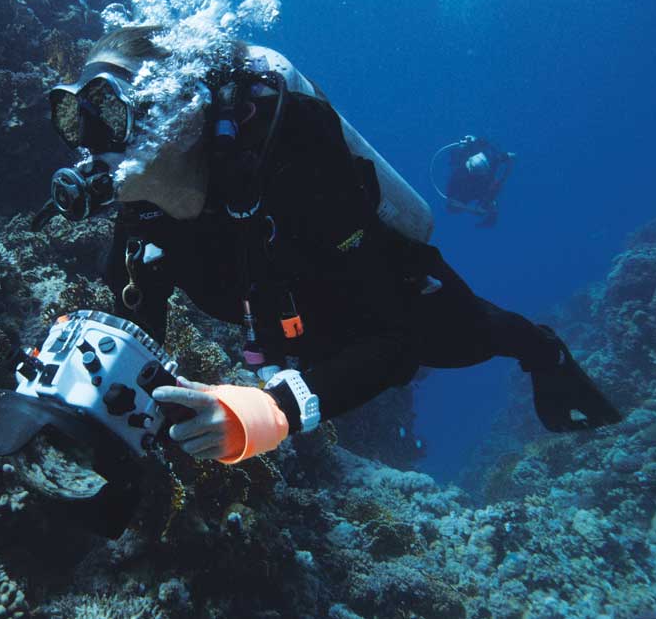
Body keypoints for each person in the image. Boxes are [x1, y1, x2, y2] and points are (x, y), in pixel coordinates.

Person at [41, 26, 622, 465]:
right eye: (75, 119)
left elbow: (394, 340)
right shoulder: (143, 203)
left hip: (377, 295)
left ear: (181, 114)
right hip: (273, 311)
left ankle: (547, 353)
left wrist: (272, 413)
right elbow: (134, 322)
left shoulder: (295, 158)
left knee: (462, 337)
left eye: (110, 113)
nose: (90, 148)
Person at [440, 135, 514, 228]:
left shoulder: (493, 161)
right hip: (468, 188)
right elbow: (450, 203)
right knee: (456, 208)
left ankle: (489, 209)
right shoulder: (457, 178)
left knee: (488, 205)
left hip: (483, 186)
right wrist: (471, 209)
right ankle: (486, 207)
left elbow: (512, 156)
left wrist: (503, 180)